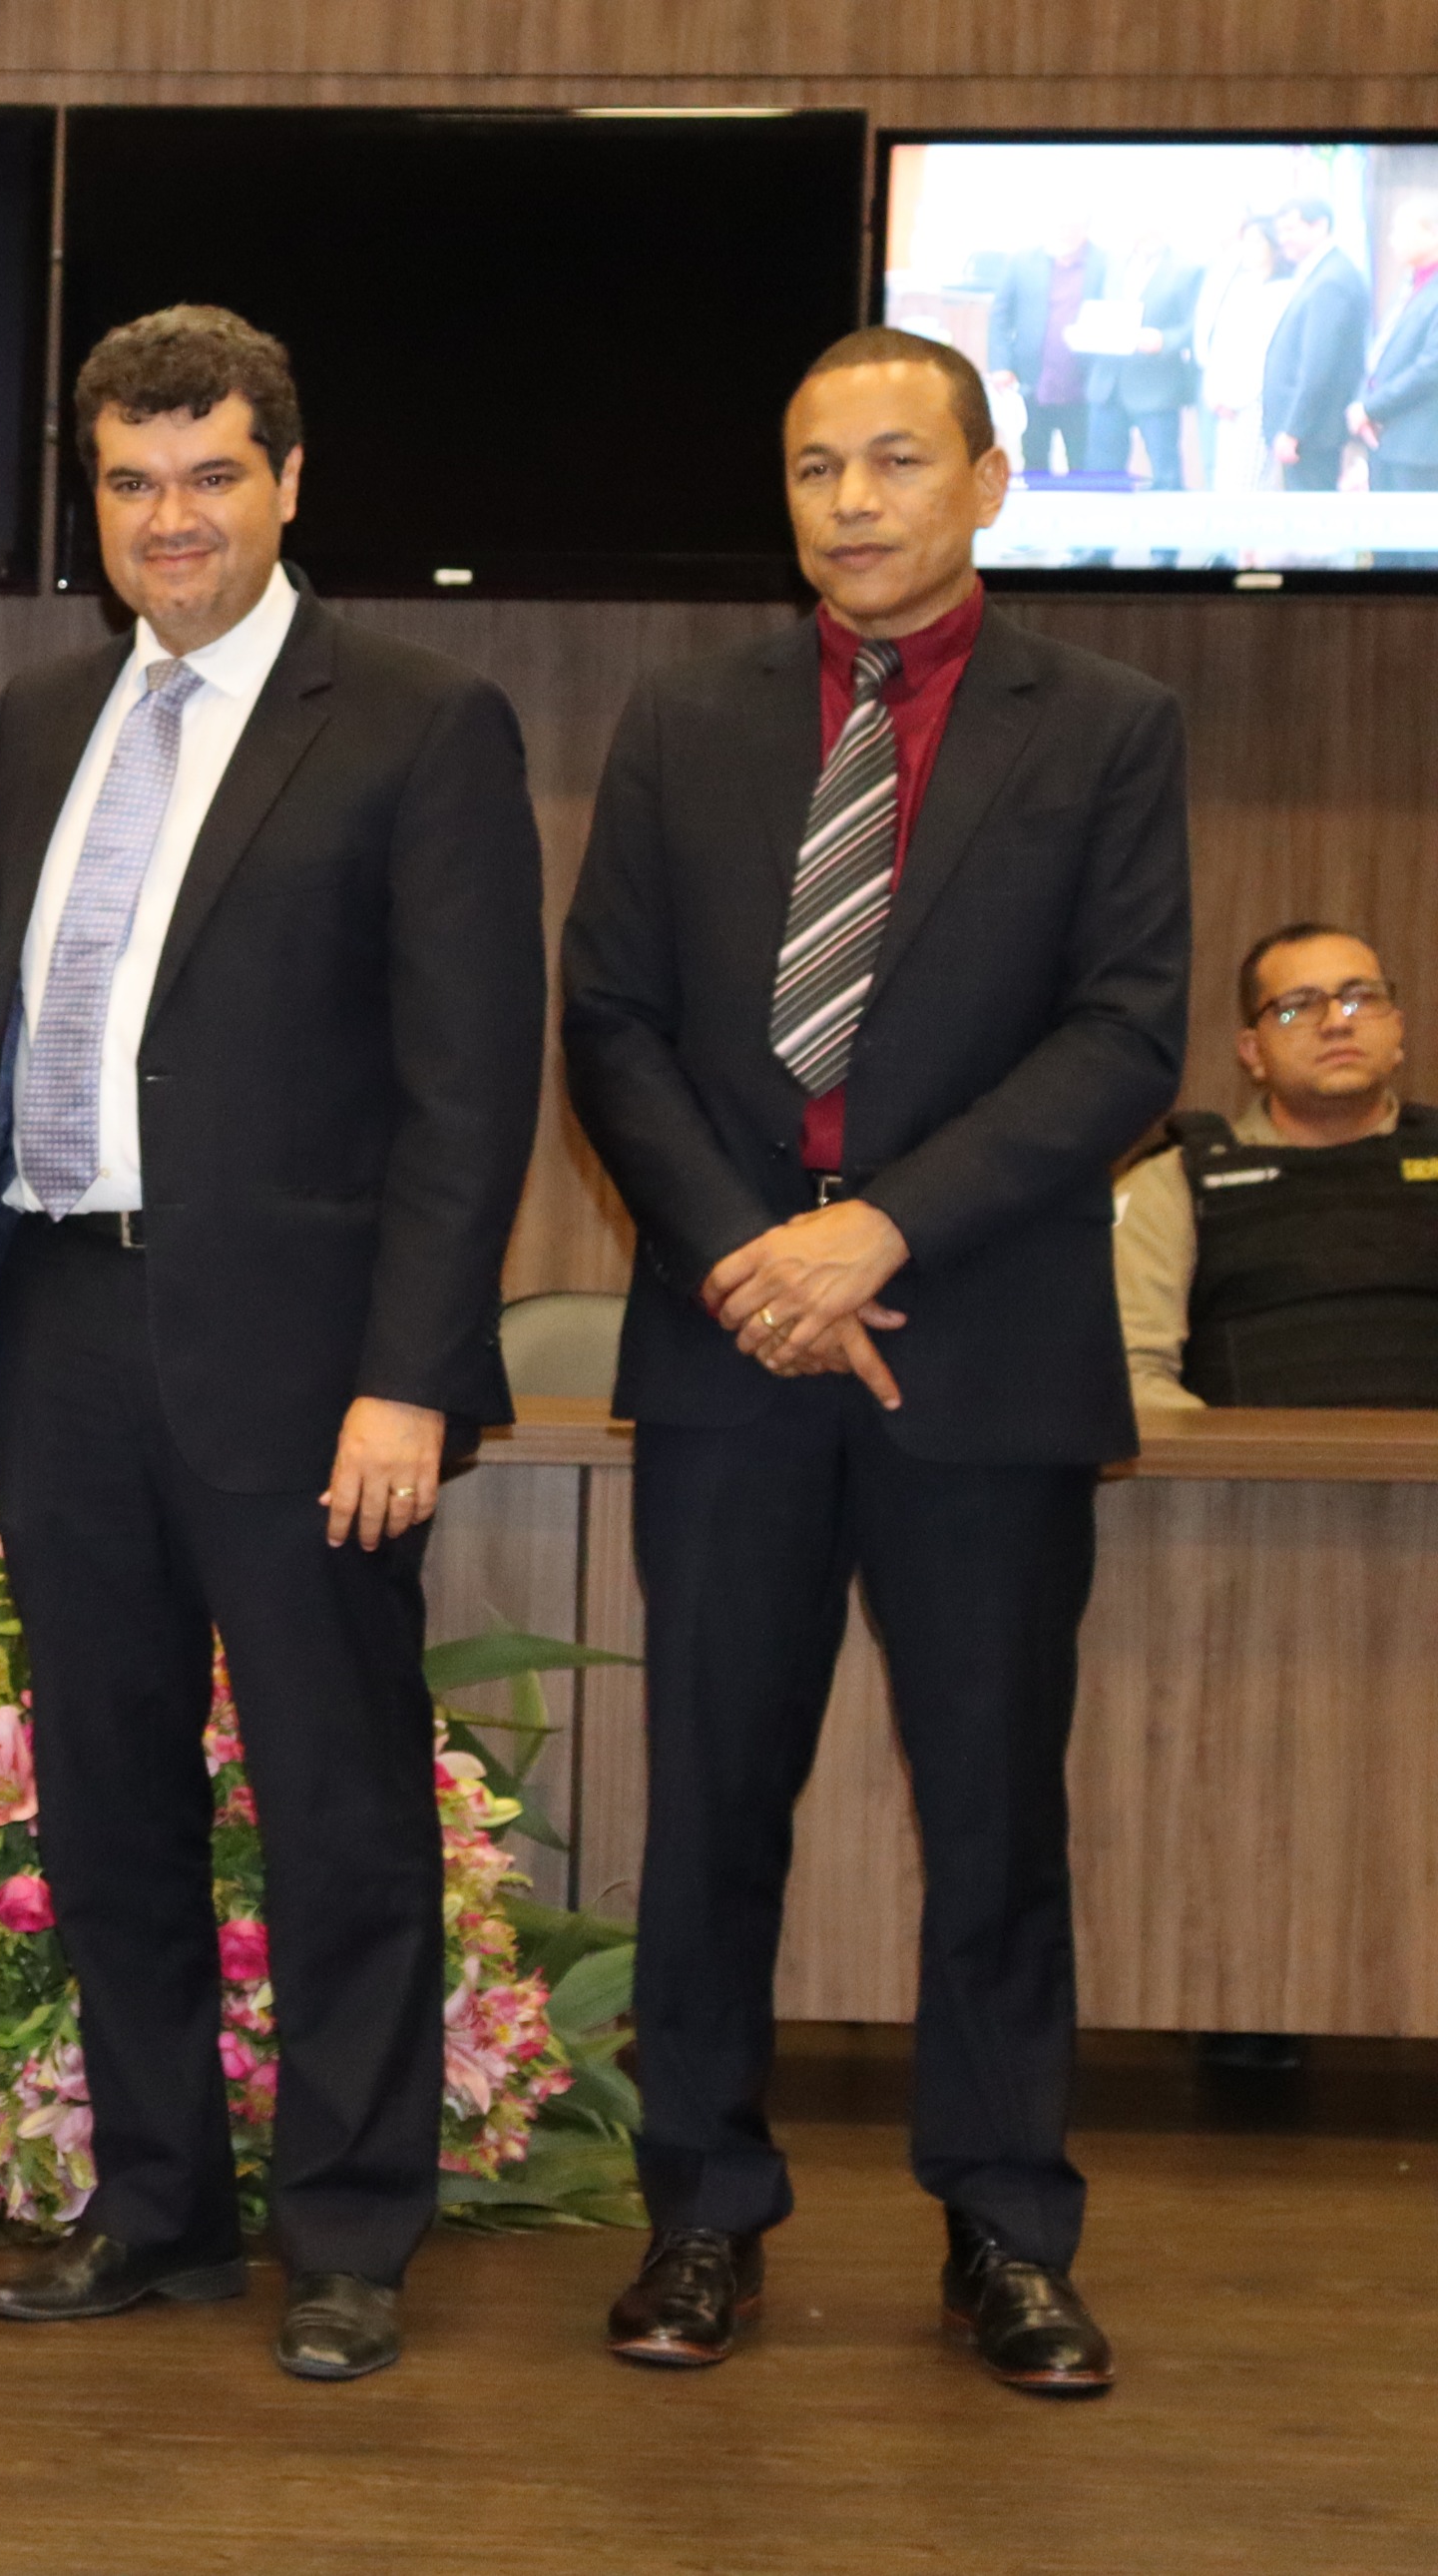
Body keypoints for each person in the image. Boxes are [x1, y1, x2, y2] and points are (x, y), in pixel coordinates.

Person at [562, 326, 1189, 2395]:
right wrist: (752, 1256)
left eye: (896, 459)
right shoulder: (683, 719)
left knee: (993, 1810)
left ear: (987, 484)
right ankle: (699, 2214)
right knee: (709, 1801)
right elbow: (610, 1021)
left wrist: (881, 1227)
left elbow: (1124, 1032)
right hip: (731, 1337)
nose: (850, 501)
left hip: (978, 1341)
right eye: (815, 465)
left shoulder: (1104, 726)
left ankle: (1006, 2230)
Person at [0, 304, 547, 2383]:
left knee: (336, 1809)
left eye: (208, 475)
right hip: (67, 1322)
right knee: (106, 1803)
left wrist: (410, 1374)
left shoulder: (418, 720)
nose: (168, 517)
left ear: (287, 483)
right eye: (130, 481)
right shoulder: (41, 715)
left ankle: (352, 2227)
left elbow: (468, 1092)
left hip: (310, 1372)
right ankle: (160, 2207)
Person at [1118, 923, 1438, 1409]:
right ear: (1253, 1052)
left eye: (1361, 998)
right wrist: (1249, 1453)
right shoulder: (1173, 1182)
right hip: (1241, 1460)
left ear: (1398, 1031)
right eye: (1298, 1006)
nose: (1337, 1022)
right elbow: (1129, 1377)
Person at [1260, 197, 1370, 494]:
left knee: (1312, 515)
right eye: (1280, 231)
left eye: (1291, 229)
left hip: (1312, 433)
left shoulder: (1331, 280)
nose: (1283, 239)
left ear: (1320, 226)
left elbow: (1318, 366)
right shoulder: (1320, 272)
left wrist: (1294, 429)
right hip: (1306, 430)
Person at [984, 214, 1104, 476]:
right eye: (1060, 224)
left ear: (1086, 228)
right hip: (1033, 382)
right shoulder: (1022, 261)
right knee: (1034, 463)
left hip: (1084, 387)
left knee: (1084, 467)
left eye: (1073, 224)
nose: (1066, 231)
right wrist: (1000, 365)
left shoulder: (1105, 263)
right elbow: (1000, 317)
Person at [1094, 223, 1204, 488]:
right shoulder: (1112, 262)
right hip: (1108, 385)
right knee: (1102, 476)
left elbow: (1198, 324)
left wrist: (1165, 340)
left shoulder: (1186, 269)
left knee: (1165, 474)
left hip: (1156, 386)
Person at [1195, 217, 1292, 494]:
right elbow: (1221, 345)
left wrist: (1236, 397)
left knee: (1248, 486)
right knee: (1223, 481)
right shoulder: (1241, 285)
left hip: (1255, 401)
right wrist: (1216, 393)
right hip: (1223, 399)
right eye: (1245, 241)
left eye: (1256, 241)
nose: (1248, 248)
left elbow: (1263, 354)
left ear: (1274, 246)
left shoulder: (1285, 290)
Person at [1346, 200, 1438, 492]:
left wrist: (1373, 407)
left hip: (1421, 446)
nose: (1392, 240)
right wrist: (1364, 405)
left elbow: (1430, 368)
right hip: (1386, 439)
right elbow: (1382, 354)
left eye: (1401, 230)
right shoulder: (1411, 283)